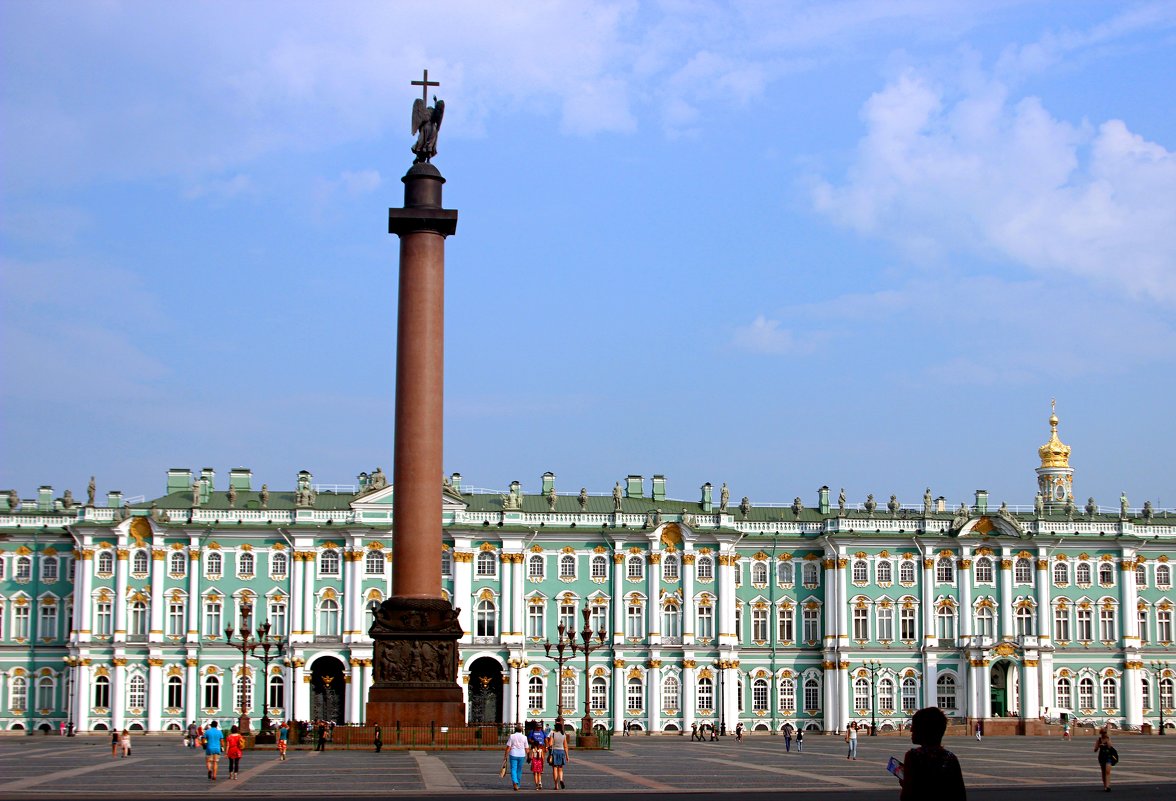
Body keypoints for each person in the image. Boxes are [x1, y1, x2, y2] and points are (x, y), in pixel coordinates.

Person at [898, 707, 966, 801]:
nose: (911, 730)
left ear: (924, 730)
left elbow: (907, 796)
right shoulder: (951, 758)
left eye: (915, 726)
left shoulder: (913, 756)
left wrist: (905, 785)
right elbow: (960, 795)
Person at [505, 723, 529, 791]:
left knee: (513, 769)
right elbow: (527, 748)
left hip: (513, 754)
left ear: (515, 730)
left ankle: (515, 782)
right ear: (521, 730)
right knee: (519, 770)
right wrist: (529, 756)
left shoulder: (512, 736)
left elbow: (508, 747)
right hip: (521, 754)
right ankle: (518, 784)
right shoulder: (524, 737)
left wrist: (505, 755)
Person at [549, 721, 571, 790]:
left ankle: (556, 785)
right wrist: (567, 756)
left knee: (555, 769)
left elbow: (550, 744)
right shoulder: (563, 734)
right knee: (560, 769)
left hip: (555, 752)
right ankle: (561, 779)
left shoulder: (553, 734)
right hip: (561, 752)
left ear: (556, 728)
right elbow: (566, 746)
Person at [1094, 727, 1117, 792]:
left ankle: (1108, 786)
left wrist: (1107, 740)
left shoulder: (1108, 739)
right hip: (1102, 756)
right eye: (1103, 733)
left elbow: (1110, 747)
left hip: (1108, 756)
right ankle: (1105, 786)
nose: (1104, 734)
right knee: (1103, 772)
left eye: (1105, 732)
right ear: (1101, 733)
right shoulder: (1099, 740)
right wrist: (1099, 746)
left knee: (1108, 771)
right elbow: (1095, 750)